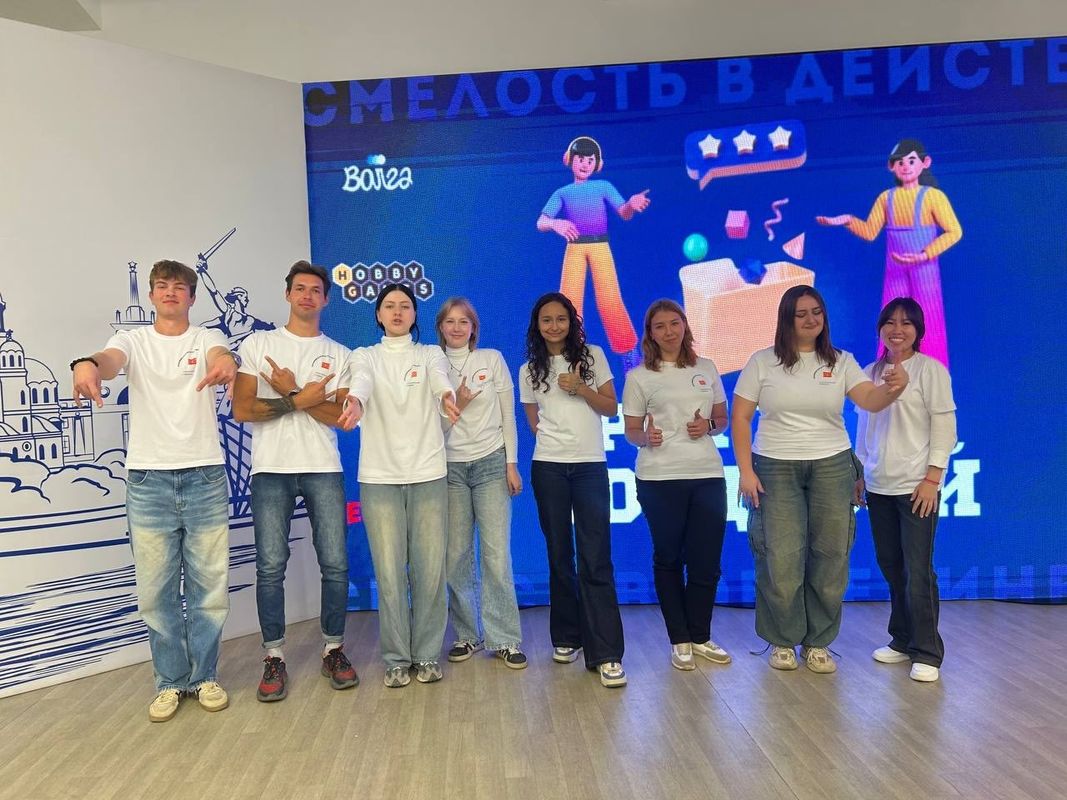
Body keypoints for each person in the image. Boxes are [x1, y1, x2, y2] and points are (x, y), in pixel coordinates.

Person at [71, 259, 238, 722]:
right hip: (148, 481)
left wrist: (226, 363)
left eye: (179, 287)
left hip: (204, 476)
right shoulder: (133, 340)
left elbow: (221, 355)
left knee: (209, 589)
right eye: (162, 286)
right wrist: (87, 364)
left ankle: (204, 676)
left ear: (192, 297)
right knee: (155, 593)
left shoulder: (205, 337)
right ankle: (170, 682)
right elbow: (109, 361)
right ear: (150, 295)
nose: (170, 292)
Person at [731, 285, 908, 674]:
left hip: (832, 465)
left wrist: (893, 389)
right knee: (780, 557)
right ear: (786, 319)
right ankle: (782, 640)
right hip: (775, 466)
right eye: (801, 314)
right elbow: (740, 417)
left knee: (831, 555)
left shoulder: (841, 361)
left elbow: (871, 400)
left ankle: (818, 643)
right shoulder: (763, 362)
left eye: (817, 312)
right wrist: (745, 471)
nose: (811, 320)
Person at [232, 261, 358, 701]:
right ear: (287, 294)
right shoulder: (259, 344)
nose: (307, 295)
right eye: (299, 288)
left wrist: (289, 392)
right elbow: (243, 409)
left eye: (315, 290)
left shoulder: (341, 355)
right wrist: (304, 398)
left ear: (326, 299)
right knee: (270, 566)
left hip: (323, 466)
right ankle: (274, 656)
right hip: (270, 469)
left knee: (335, 563)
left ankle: (333, 648)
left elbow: (342, 419)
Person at [338, 283, 460, 688]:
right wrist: (355, 402)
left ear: (414, 314)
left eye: (405, 306)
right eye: (389, 306)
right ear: (378, 314)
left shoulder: (430, 354)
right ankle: (395, 658)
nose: (396, 312)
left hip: (428, 474)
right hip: (380, 478)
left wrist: (447, 396)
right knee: (389, 574)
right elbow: (361, 382)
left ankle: (426, 654)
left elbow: (440, 380)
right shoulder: (365, 355)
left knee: (429, 572)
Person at [520, 291, 627, 687]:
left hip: (589, 467)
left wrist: (581, 388)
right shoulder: (529, 369)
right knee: (559, 554)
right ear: (537, 325)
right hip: (548, 467)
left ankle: (607, 654)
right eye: (546, 320)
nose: (554, 326)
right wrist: (556, 441)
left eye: (561, 319)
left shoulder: (593, 355)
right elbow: (534, 422)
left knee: (596, 556)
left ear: (572, 322)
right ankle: (567, 636)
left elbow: (610, 407)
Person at [622, 299, 732, 672]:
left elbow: (722, 418)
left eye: (674, 323)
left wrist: (709, 427)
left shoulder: (706, 367)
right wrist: (645, 437)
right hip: (659, 478)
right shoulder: (639, 376)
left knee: (706, 562)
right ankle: (679, 639)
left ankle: (700, 635)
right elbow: (631, 429)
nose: (669, 331)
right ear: (650, 334)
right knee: (669, 558)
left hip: (707, 474)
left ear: (685, 325)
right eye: (660, 326)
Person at [855, 298, 956, 683]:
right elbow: (864, 428)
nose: (897, 330)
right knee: (892, 566)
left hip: (917, 487)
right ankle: (901, 638)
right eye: (890, 322)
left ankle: (927, 651)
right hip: (878, 485)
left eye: (906, 323)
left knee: (918, 570)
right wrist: (860, 473)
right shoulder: (870, 372)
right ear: (880, 328)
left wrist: (932, 479)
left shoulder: (931, 371)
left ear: (918, 330)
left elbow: (944, 427)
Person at [435, 298, 526, 669]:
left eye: (464, 321)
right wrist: (457, 403)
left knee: (496, 555)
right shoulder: (433, 364)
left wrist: (511, 464)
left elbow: (508, 416)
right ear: (440, 327)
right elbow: (433, 429)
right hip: (449, 469)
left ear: (474, 327)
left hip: (491, 463)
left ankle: (504, 638)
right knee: (456, 556)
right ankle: (467, 635)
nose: (457, 328)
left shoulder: (492, 359)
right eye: (450, 321)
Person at [816, 138, 962, 367]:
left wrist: (924, 254)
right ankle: (889, 369)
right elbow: (869, 232)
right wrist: (848, 220)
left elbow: (954, 231)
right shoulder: (886, 198)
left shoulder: (933, 196)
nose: (906, 166)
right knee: (892, 315)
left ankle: (934, 370)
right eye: (900, 162)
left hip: (924, 269)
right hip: (895, 269)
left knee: (928, 316)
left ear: (925, 163)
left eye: (911, 160)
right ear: (891, 166)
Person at [537, 136, 650, 367]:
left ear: (597, 164)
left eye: (590, 160)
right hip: (575, 247)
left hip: (600, 246)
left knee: (610, 299)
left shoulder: (603, 187)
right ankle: (570, 353)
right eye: (580, 159)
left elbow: (624, 212)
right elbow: (541, 222)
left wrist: (631, 204)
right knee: (569, 301)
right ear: (569, 160)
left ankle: (628, 353)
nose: (585, 164)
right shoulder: (562, 192)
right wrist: (555, 223)